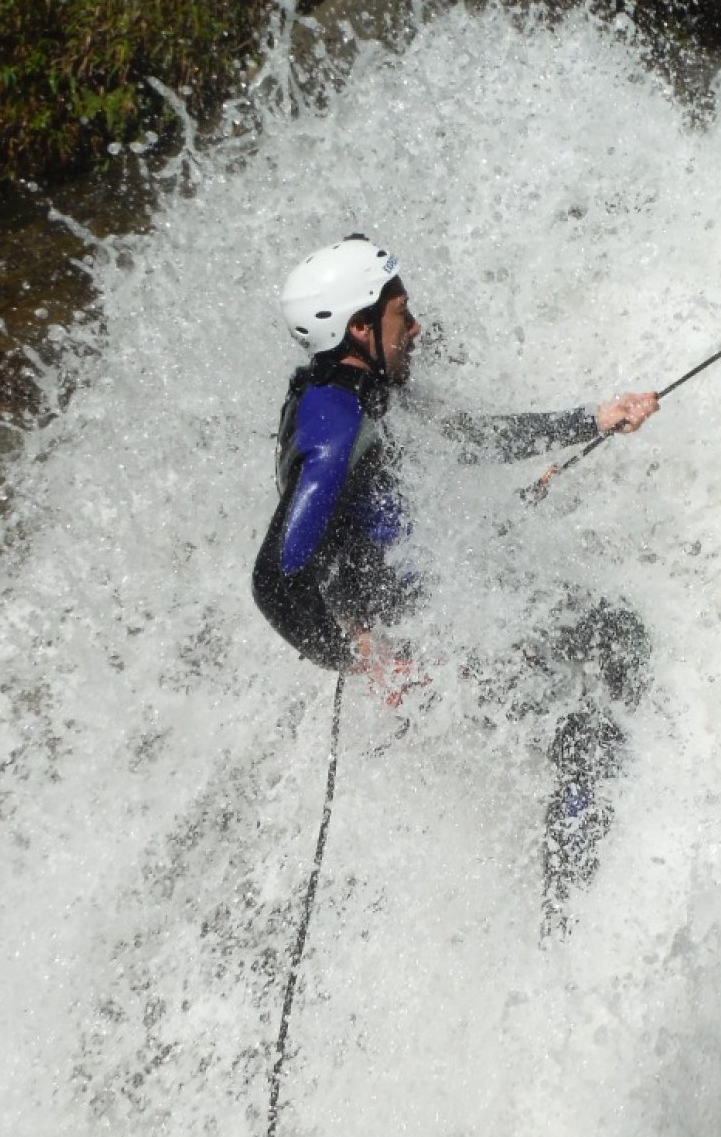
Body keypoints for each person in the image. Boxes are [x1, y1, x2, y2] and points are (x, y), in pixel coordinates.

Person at [252, 234, 660, 928]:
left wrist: (594, 418)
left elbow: (469, 438)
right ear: (359, 327)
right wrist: (362, 659)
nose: (415, 330)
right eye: (401, 316)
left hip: (432, 598)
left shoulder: (365, 385)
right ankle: (570, 926)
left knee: (618, 630)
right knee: (584, 729)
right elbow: (274, 581)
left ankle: (645, 798)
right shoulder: (333, 424)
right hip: (416, 638)